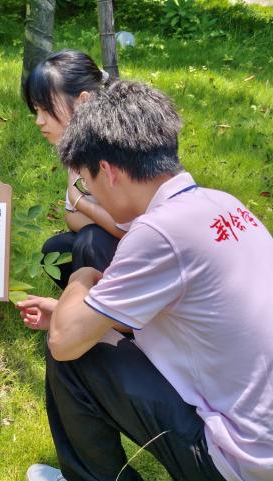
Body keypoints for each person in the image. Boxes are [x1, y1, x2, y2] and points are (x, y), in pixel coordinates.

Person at [18, 81, 273, 481]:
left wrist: (81, 278)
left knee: (74, 358)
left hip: (239, 463)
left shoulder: (158, 232)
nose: (90, 191)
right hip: (263, 438)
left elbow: (65, 341)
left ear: (109, 171)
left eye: (87, 182)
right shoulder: (223, 203)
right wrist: (81, 313)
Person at [23, 50, 125, 289]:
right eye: (37, 110)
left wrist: (81, 202)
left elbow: (132, 230)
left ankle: (109, 312)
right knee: (54, 250)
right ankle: (86, 301)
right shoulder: (79, 145)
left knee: (91, 241)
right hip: (119, 239)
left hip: (151, 251)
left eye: (47, 109)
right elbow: (71, 218)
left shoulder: (115, 148)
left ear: (83, 101)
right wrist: (93, 213)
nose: (39, 121)